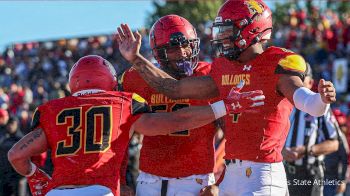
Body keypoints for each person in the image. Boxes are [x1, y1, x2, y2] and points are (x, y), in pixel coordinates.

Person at [115, 0, 336, 195]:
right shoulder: (221, 67)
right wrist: (135, 58)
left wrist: (321, 100)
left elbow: (308, 104)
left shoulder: (271, 63)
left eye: (227, 31)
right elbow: (173, 88)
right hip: (216, 175)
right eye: (220, 31)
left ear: (253, 29)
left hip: (250, 173)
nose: (222, 38)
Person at [7, 55, 262, 196]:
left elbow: (17, 155)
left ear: (73, 82)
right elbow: (176, 120)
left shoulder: (51, 110)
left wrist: (33, 175)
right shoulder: (122, 103)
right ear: (110, 80)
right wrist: (223, 106)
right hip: (100, 191)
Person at [121, 15, 217, 196]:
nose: (182, 52)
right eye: (173, 48)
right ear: (159, 52)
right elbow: (121, 136)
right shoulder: (135, 78)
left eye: (186, 44)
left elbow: (231, 133)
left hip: (197, 182)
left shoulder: (209, 75)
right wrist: (121, 180)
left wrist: (221, 182)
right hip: (150, 180)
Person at [283, 63, 339, 196]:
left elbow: (334, 143)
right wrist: (281, 151)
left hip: (310, 173)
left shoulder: (320, 107)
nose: (294, 83)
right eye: (292, 78)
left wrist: (307, 150)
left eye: (299, 79)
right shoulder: (283, 106)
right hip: (284, 171)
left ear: (310, 82)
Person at [323, 109, 349, 196]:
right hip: (320, 177)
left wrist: (342, 181)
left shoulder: (341, 139)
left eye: (343, 125)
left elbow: (345, 160)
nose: (343, 128)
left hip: (334, 181)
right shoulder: (321, 135)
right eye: (340, 125)